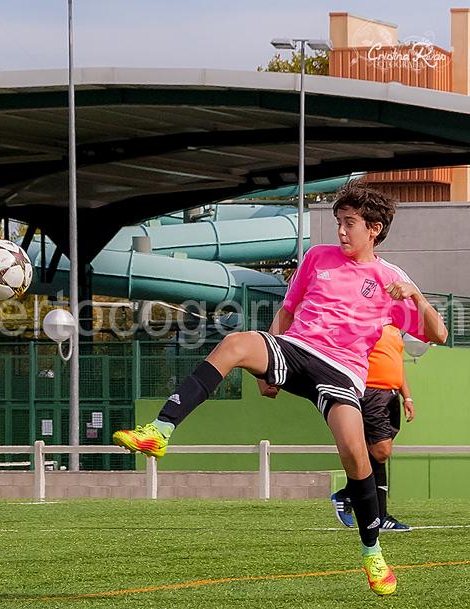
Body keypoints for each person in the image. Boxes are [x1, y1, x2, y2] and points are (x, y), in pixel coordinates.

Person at [113, 183, 448, 596]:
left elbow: (438, 333)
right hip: (296, 349)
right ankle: (160, 430)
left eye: (350, 223)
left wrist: (417, 296)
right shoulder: (317, 257)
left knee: (354, 452)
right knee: (235, 344)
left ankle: (372, 552)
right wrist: (266, 370)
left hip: (342, 373)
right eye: (338, 222)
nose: (341, 231)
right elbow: (288, 311)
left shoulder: (392, 280)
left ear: (374, 229)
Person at [331, 325, 415, 531]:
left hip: (391, 394)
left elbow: (397, 364)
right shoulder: (362, 322)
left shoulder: (394, 328)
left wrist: (407, 397)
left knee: (377, 455)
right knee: (381, 451)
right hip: (371, 392)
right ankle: (348, 495)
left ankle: (380, 515)